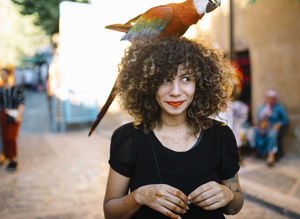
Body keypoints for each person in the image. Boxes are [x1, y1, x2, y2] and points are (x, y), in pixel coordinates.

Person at [103, 36, 244, 219]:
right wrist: (138, 196)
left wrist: (228, 195)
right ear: (148, 84)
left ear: (199, 83)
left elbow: (235, 206)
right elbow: (110, 213)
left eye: (186, 79)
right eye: (165, 79)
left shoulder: (220, 135)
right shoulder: (128, 138)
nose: (176, 91)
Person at [0, 66, 24, 172]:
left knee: (11, 137)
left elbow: (21, 103)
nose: (2, 75)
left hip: (13, 114)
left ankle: (14, 158)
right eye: (1, 74)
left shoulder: (16, 89)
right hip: (3, 115)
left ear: (9, 74)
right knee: (5, 137)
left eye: (4, 73)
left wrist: (19, 114)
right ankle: (9, 159)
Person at [254, 89, 288, 167]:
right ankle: (260, 152)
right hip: (263, 128)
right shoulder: (262, 107)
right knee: (254, 131)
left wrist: (279, 124)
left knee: (273, 134)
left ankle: (271, 156)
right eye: (269, 98)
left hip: (273, 127)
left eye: (272, 98)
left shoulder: (279, 108)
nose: (271, 100)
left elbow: (285, 119)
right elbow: (259, 119)